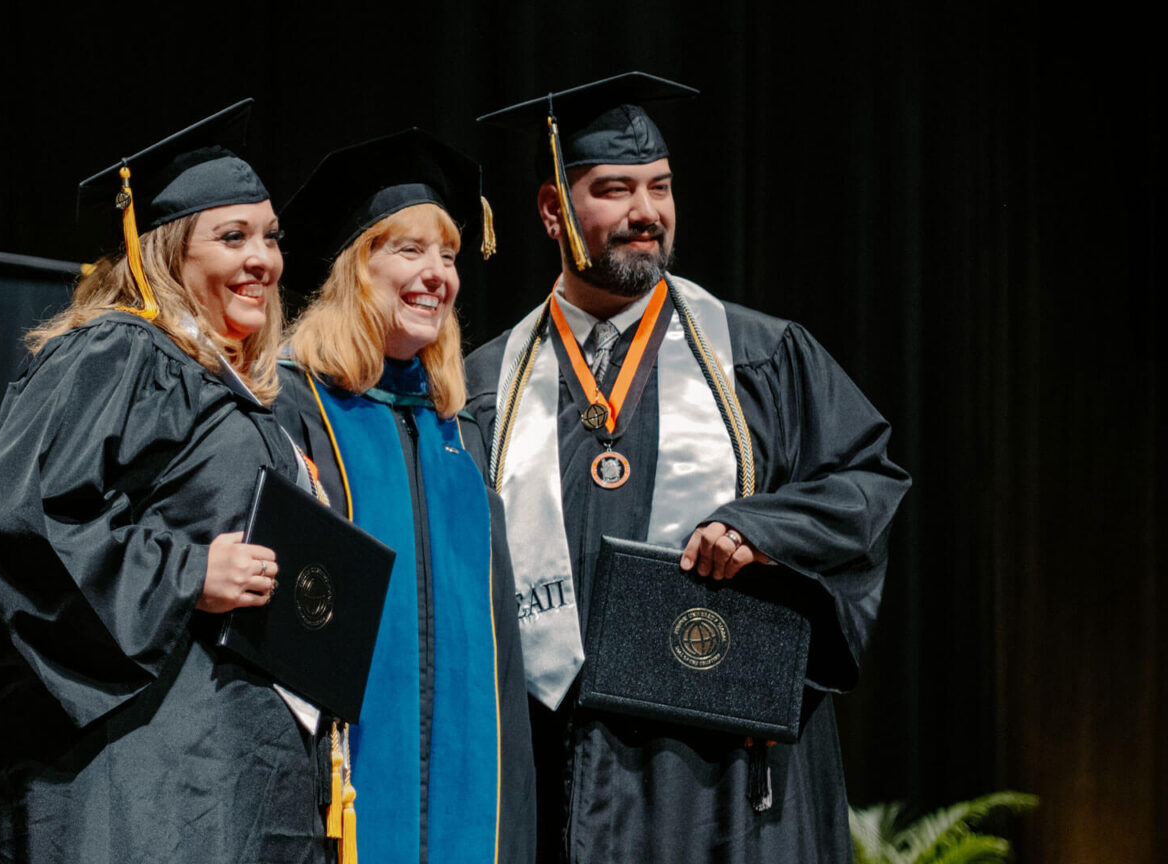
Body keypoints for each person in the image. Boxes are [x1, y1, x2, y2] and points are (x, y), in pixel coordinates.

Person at [465, 72, 912, 862]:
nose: (647, 212)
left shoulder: (760, 356)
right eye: (615, 189)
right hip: (550, 763)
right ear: (551, 211)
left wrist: (759, 527)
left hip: (723, 778)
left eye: (660, 187)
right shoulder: (482, 387)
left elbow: (865, 482)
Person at [0, 100, 333, 864]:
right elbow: (24, 519)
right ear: (163, 253)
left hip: (242, 765)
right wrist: (189, 571)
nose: (261, 259)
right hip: (149, 773)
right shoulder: (118, 353)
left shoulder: (251, 392)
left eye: (270, 237)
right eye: (231, 237)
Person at [274, 129, 535, 864]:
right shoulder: (295, 409)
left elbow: (502, 667)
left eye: (449, 256)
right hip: (337, 799)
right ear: (359, 266)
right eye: (410, 250)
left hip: (470, 802)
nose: (438, 276)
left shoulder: (461, 431)